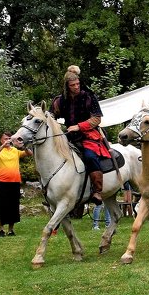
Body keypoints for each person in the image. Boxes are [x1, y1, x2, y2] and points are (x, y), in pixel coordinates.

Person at [50, 65, 107, 206]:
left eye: (78, 84)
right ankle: (57, 192)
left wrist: (79, 126)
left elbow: (97, 118)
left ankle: (97, 191)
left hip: (88, 135)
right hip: (69, 135)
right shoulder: (59, 101)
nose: (76, 87)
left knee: (90, 157)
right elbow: (51, 116)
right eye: (73, 85)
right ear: (67, 86)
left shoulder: (88, 96)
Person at [0, 132, 30, 237]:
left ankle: (11, 230)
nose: (7, 140)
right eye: (5, 139)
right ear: (1, 140)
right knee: (3, 205)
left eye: (9, 138)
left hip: (15, 181)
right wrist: (3, 146)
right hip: (2, 181)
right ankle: (1, 229)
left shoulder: (15, 151)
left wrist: (23, 145)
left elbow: (29, 153)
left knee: (13, 205)